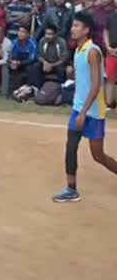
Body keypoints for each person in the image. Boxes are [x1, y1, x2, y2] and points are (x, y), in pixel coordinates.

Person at [52, 11, 117, 203]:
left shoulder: (92, 51)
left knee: (98, 155)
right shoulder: (78, 50)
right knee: (70, 147)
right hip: (79, 108)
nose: (73, 29)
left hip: (93, 111)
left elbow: (96, 85)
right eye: (72, 26)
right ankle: (71, 189)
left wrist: (83, 112)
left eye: (77, 26)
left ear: (86, 30)